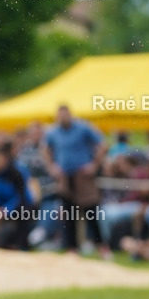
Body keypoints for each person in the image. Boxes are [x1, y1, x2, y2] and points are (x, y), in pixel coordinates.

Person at [43, 105, 106, 253]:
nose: (63, 118)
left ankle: (101, 246)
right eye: (60, 115)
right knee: (68, 215)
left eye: (65, 115)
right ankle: (72, 248)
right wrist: (52, 167)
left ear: (70, 114)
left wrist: (94, 165)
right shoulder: (53, 132)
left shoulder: (83, 128)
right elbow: (45, 150)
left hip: (83, 177)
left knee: (91, 213)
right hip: (65, 178)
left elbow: (102, 144)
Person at [0, 143, 36, 250]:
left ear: (4, 158)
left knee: (25, 211)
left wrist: (4, 211)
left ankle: (21, 247)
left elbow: (21, 197)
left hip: (15, 207)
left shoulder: (18, 171)